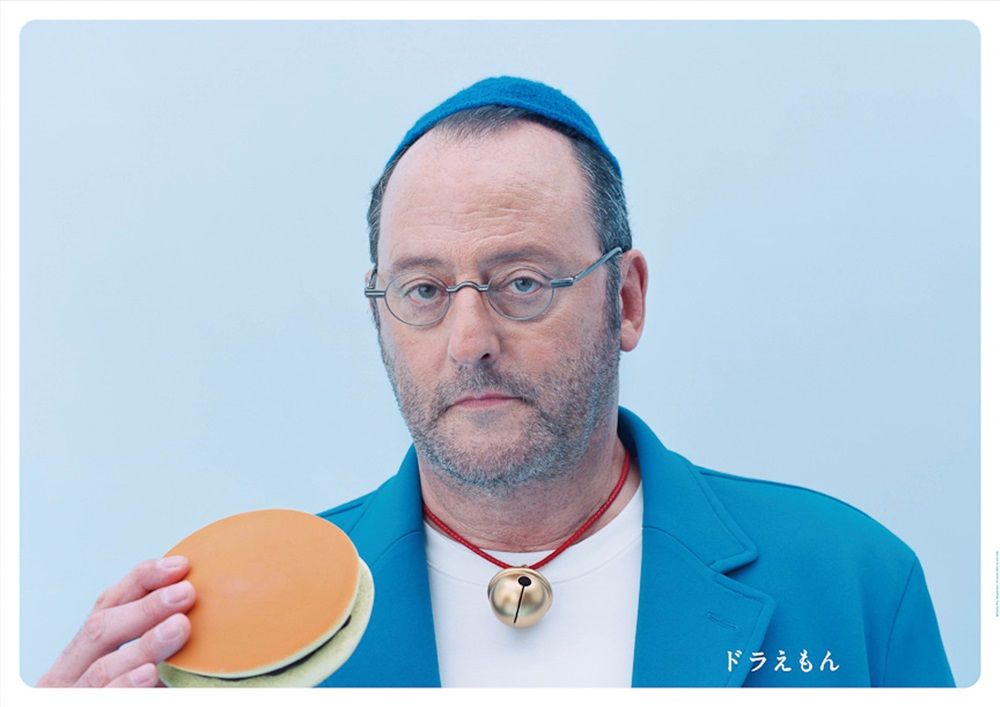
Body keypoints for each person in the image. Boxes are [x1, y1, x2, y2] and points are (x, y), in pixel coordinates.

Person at [38, 76, 955, 688]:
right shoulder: (217, 631)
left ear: (626, 300)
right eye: (424, 290)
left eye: (522, 283)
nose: (469, 341)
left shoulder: (854, 582)